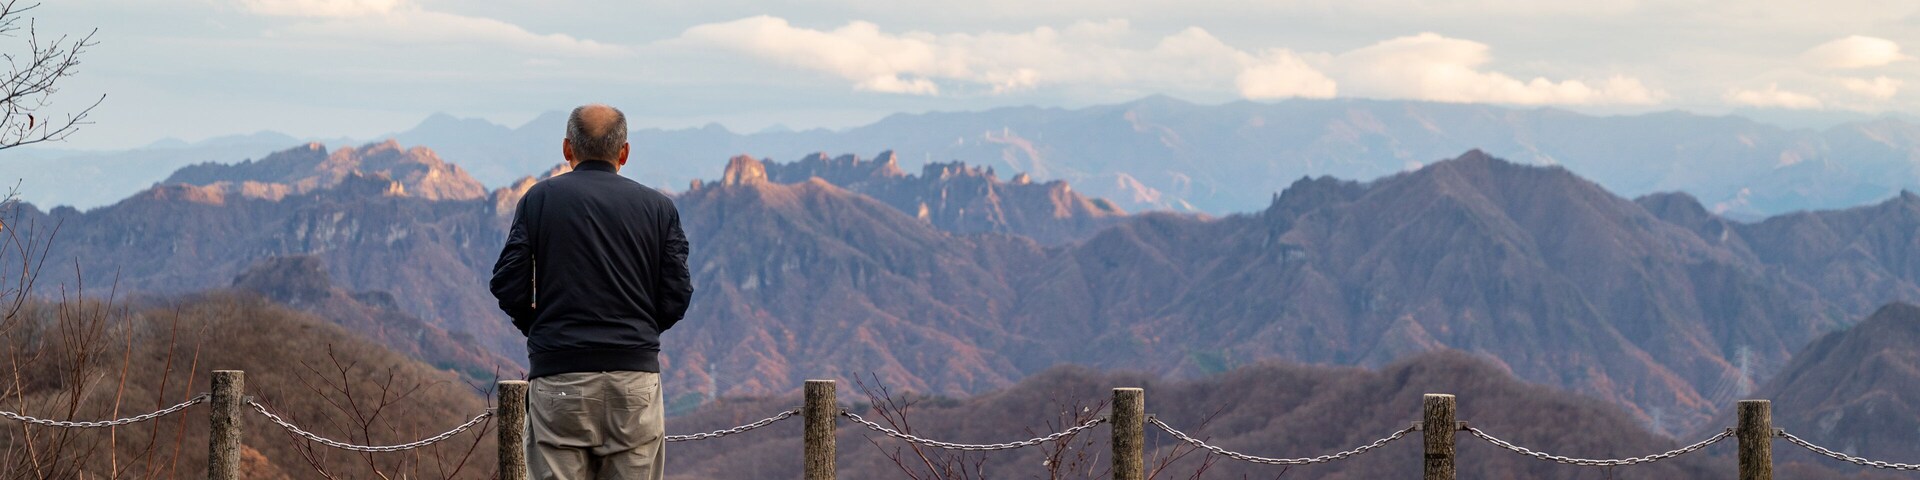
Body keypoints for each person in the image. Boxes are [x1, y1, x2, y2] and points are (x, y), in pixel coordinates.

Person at [490, 103, 693, 480]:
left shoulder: (539, 200)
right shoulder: (659, 208)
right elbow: (677, 293)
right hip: (634, 383)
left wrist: (539, 327)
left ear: (568, 149)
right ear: (624, 152)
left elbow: (507, 283)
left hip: (560, 378)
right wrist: (639, 332)